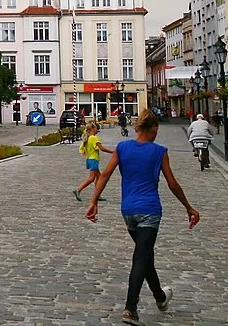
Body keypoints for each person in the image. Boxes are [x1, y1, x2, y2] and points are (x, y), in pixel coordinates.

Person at [86, 109, 199, 326]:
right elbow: (172, 184)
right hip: (149, 211)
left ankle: (160, 296)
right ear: (154, 129)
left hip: (128, 211)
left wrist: (93, 201)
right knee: (141, 257)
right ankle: (130, 308)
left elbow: (106, 174)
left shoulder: (122, 147)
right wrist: (189, 207)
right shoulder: (159, 152)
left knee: (145, 256)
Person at [74, 121, 113, 202]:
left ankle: (97, 194)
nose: (97, 129)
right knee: (92, 178)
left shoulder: (87, 138)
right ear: (92, 129)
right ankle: (78, 190)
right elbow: (101, 148)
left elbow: (81, 149)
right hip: (94, 160)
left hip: (89, 160)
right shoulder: (94, 138)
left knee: (99, 177)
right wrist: (112, 152)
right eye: (95, 128)